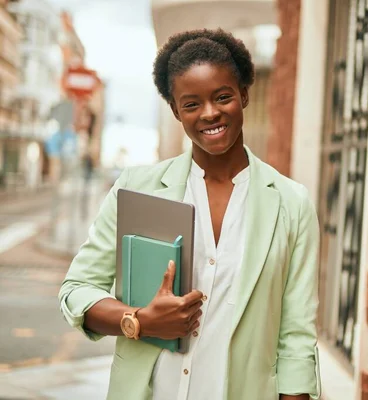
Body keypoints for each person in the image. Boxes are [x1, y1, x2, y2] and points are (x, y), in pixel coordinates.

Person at [58, 28, 321, 400]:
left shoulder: (291, 203)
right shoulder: (137, 188)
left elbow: (296, 335)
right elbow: (77, 290)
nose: (210, 113)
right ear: (175, 110)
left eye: (223, 97)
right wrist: (138, 320)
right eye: (192, 103)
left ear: (244, 94)